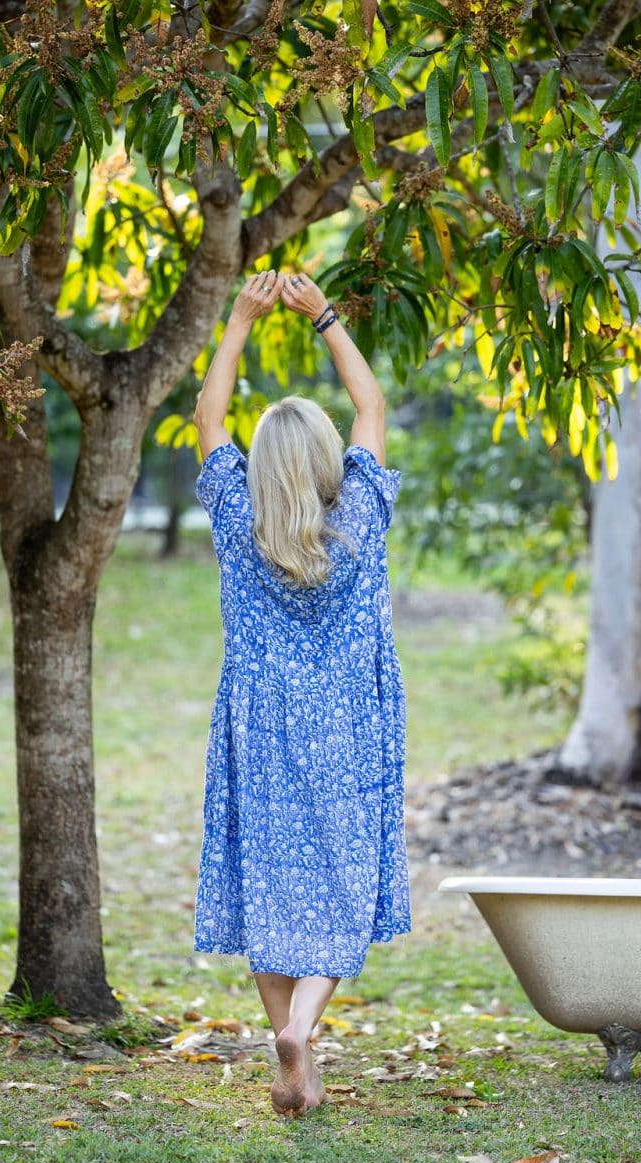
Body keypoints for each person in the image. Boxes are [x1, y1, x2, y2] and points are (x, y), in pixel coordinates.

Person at [192, 267, 411, 1118]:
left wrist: (240, 321)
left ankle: (288, 1044)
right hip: (347, 726)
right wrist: (323, 316)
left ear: (259, 469)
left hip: (260, 728)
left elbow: (208, 417)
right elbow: (371, 406)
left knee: (267, 882)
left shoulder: (235, 520)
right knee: (347, 882)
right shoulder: (359, 520)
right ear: (326, 461)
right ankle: (302, 1033)